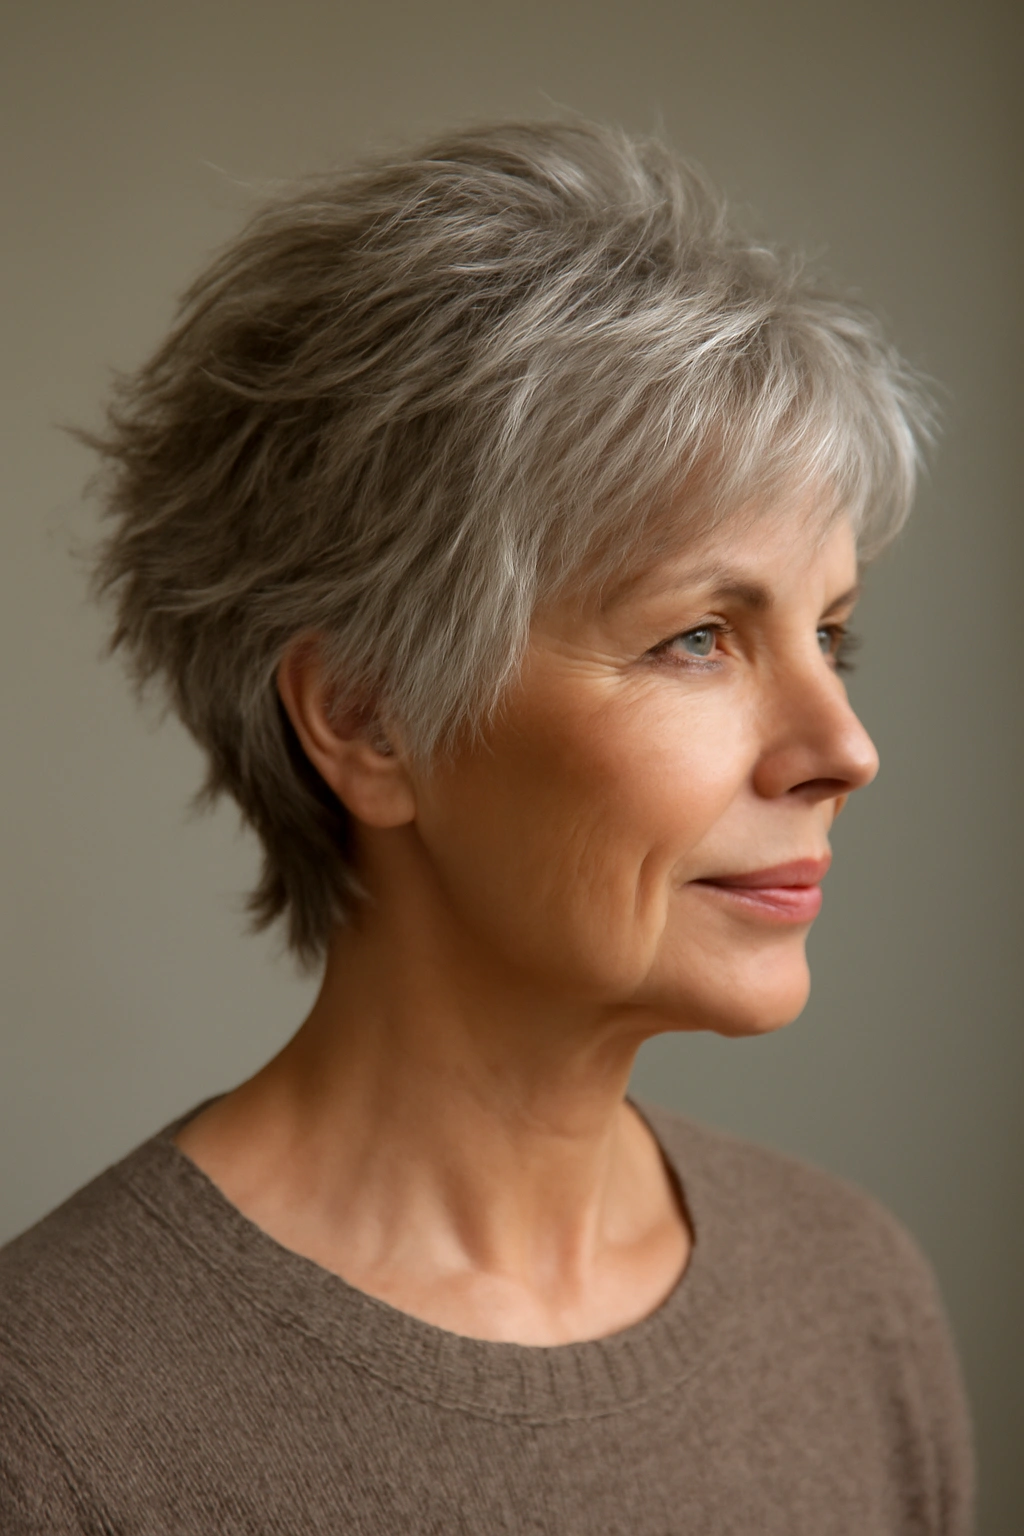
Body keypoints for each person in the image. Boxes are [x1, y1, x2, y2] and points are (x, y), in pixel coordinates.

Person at [0, 120, 973, 1533]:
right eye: (700, 638)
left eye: (832, 635)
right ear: (367, 719)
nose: (846, 752)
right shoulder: (51, 1425)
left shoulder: (855, 1298)